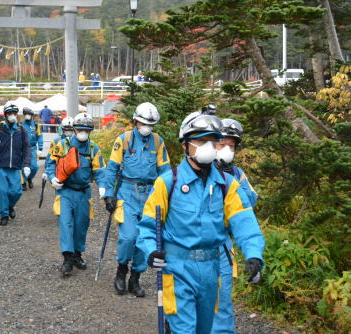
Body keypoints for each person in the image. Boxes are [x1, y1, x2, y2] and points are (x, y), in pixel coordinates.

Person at [137, 113, 265, 333]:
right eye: (201, 140)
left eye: (212, 141)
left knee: (208, 328)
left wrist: (253, 254)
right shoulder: (168, 182)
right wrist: (151, 251)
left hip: (211, 269)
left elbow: (243, 220)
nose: (208, 146)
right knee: (184, 329)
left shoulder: (227, 184)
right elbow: (148, 225)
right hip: (177, 268)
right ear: (185, 145)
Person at [104, 102, 171, 297]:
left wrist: (169, 196)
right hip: (127, 191)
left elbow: (165, 172)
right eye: (143, 122)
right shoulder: (124, 140)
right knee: (128, 236)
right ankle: (121, 269)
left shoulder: (158, 142)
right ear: (135, 121)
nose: (146, 126)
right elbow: (112, 168)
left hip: (151, 193)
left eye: (150, 123)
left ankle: (135, 277)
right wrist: (109, 193)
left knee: (145, 237)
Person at [211, 118, 258, 334]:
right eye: (222, 145)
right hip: (192, 246)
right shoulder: (199, 168)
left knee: (222, 304)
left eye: (231, 146)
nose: (227, 150)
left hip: (223, 245)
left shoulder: (238, 173)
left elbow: (252, 202)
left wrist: (234, 182)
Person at [45, 113, 106, 277]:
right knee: (65, 223)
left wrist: (103, 187)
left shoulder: (94, 149)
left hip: (84, 192)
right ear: (74, 129)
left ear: (90, 131)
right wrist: (52, 178)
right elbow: (50, 165)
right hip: (65, 190)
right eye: (80, 129)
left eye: (86, 130)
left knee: (81, 225)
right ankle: (67, 258)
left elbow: (100, 171)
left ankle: (77, 254)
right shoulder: (62, 145)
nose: (83, 132)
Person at [0, 102, 31, 226]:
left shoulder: (22, 130)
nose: (12, 116)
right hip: (1, 166)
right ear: (5, 115)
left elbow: (26, 147)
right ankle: (4, 214)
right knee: (3, 192)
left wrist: (26, 164)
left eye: (14, 113)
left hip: (16, 167)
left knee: (17, 192)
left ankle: (10, 207)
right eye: (10, 113)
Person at [42, 117, 75, 185]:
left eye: (71, 129)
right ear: (62, 129)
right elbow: (49, 158)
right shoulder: (56, 141)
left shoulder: (77, 141)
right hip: (59, 171)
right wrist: (46, 172)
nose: (68, 131)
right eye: (66, 129)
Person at [21, 107, 43, 190]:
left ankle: (29, 178)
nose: (27, 116)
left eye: (29, 114)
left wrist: (40, 148)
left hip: (33, 148)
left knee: (34, 167)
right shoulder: (20, 125)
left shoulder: (36, 125)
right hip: (22, 149)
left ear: (32, 115)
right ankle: (23, 182)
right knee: (23, 166)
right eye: (26, 114)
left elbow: (40, 136)